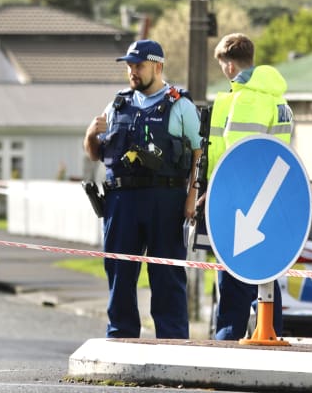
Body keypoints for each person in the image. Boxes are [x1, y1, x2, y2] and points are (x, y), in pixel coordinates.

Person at [83, 39, 202, 339]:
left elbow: (201, 153)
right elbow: (95, 153)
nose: (132, 72)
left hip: (166, 199)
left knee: (166, 275)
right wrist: (90, 134)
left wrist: (193, 194)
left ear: (157, 66)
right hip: (121, 201)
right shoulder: (117, 104)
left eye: (138, 66)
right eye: (129, 66)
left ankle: (172, 340)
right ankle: (121, 336)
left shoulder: (180, 105)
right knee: (119, 272)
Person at [205, 32, 294, 340]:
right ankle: (270, 334)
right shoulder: (279, 100)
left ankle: (227, 344)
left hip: (240, 202)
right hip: (271, 199)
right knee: (266, 276)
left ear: (230, 66)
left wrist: (213, 194)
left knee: (233, 281)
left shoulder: (244, 101)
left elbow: (235, 156)